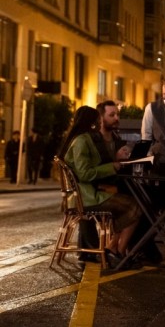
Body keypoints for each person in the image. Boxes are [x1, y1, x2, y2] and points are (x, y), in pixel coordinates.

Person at [59, 106, 142, 269]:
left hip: (87, 195)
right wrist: (112, 166)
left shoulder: (84, 139)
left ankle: (114, 250)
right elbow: (84, 173)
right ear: (91, 123)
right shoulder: (82, 141)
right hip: (86, 198)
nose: (100, 123)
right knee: (134, 206)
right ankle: (117, 251)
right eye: (97, 120)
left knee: (127, 204)